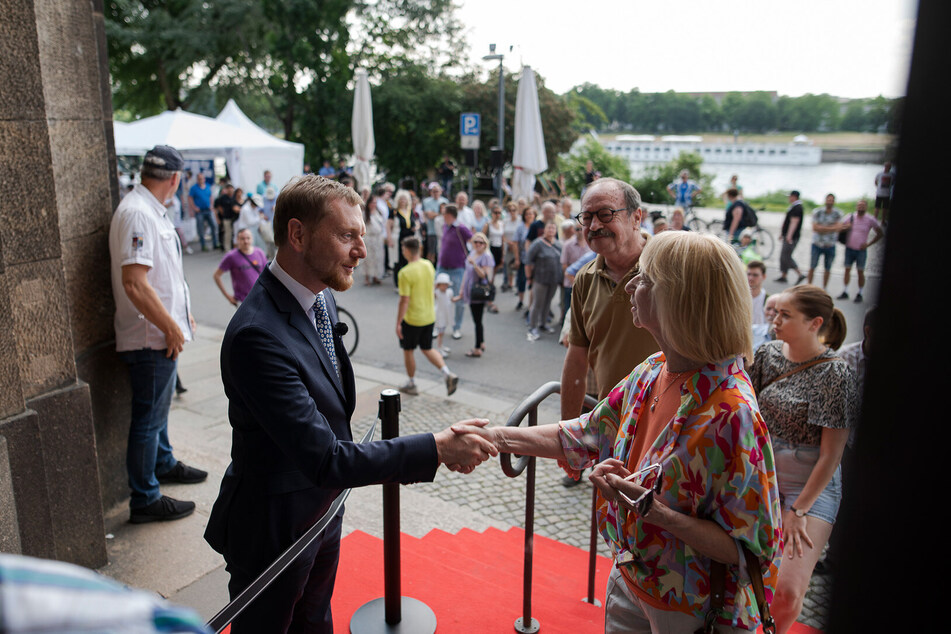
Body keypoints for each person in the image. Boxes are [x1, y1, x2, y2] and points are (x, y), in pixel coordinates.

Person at [204, 177, 496, 634]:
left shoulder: (320, 297)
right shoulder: (256, 335)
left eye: (361, 234)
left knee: (316, 621)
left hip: (322, 511)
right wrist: (437, 447)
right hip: (274, 529)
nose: (362, 249)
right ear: (298, 235)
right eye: (347, 236)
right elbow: (325, 457)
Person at [459, 231, 782, 632]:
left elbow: (749, 547)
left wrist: (656, 512)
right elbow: (587, 433)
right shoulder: (654, 368)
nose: (630, 284)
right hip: (630, 579)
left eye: (645, 278)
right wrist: (493, 437)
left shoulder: (732, 414)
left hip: (690, 609)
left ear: (680, 299)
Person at [750, 284, 858, 634]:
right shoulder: (766, 355)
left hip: (809, 485)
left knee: (788, 589)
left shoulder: (835, 374)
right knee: (743, 572)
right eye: (775, 312)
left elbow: (832, 454)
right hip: (762, 474)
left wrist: (799, 511)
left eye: (785, 315)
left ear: (815, 323)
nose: (775, 320)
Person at [109, 145, 206, 524]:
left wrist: (182, 317)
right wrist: (170, 325)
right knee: (148, 419)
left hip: (160, 331)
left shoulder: (147, 210)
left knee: (158, 413)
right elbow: (134, 284)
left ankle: (163, 463)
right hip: (151, 336)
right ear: (176, 179)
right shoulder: (138, 213)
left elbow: (162, 277)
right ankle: (145, 498)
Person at [561, 178, 659, 486]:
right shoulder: (585, 281)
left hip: (669, 428)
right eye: (586, 217)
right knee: (613, 521)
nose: (593, 225)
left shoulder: (670, 267)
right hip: (613, 430)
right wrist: (568, 439)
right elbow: (576, 361)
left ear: (636, 217)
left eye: (605, 214)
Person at [396, 236, 459, 396]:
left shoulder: (405, 272)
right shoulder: (428, 265)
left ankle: (411, 383)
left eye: (403, 249)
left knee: (408, 350)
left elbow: (404, 300)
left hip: (413, 318)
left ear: (408, 251)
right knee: (427, 348)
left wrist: (398, 323)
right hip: (429, 316)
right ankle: (447, 373)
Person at [453, 232, 495, 357]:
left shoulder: (486, 256)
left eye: (480, 242)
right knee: (477, 319)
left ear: (485, 244)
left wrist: (475, 265)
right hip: (470, 290)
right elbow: (466, 274)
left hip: (478, 292)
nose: (478, 244)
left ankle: (477, 348)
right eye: (475, 242)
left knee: (477, 320)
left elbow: (484, 275)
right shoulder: (472, 253)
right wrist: (461, 290)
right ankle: (481, 342)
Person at [436, 205, 472, 340]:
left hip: (457, 268)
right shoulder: (445, 226)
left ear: (450, 215)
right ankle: (439, 327)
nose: (443, 216)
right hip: (443, 267)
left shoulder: (460, 228)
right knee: (439, 297)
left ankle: (457, 327)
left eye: (445, 214)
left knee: (458, 299)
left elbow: (473, 240)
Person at [837, 199, 884, 303]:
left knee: (860, 271)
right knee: (847, 270)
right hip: (849, 248)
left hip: (861, 250)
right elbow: (839, 227)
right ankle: (845, 290)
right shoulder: (850, 217)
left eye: (863, 206)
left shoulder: (870, 219)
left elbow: (880, 233)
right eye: (859, 206)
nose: (860, 208)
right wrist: (846, 227)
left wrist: (869, 244)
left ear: (866, 207)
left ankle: (860, 292)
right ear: (856, 207)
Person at [525, 221, 562, 341]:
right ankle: (532, 327)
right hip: (540, 279)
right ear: (544, 230)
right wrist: (529, 278)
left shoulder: (558, 244)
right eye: (549, 228)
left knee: (548, 302)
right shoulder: (537, 244)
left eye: (553, 228)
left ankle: (543, 323)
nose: (551, 230)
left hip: (554, 279)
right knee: (537, 303)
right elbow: (528, 261)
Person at [213, 228, 267, 306]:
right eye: (242, 239)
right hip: (244, 301)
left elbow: (267, 274)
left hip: (262, 297)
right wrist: (228, 297)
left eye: (248, 238)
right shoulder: (231, 256)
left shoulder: (260, 253)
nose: (246, 241)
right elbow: (216, 275)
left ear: (252, 238)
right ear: (237, 240)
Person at [807, 194, 845, 290]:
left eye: (831, 200)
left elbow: (839, 228)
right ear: (825, 200)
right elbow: (815, 228)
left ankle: (824, 288)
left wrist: (822, 228)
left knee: (828, 268)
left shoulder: (838, 213)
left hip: (830, 245)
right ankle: (808, 286)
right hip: (817, 244)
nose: (829, 202)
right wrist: (831, 228)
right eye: (828, 200)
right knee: (812, 266)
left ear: (834, 201)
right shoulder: (817, 212)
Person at [559, 220, 590, 322]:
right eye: (577, 229)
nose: (580, 231)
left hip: (586, 283)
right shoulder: (568, 244)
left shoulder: (590, 244)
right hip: (570, 282)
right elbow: (564, 265)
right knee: (568, 308)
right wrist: (574, 280)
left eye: (582, 229)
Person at [388, 189, 419, 286]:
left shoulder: (410, 211)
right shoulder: (394, 211)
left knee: (409, 260)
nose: (403, 201)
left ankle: (408, 281)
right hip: (398, 239)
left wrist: (416, 227)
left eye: (404, 199)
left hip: (410, 238)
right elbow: (388, 225)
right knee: (398, 261)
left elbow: (416, 222)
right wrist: (389, 239)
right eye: (401, 199)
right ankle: (398, 283)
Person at [776, 191, 806, 284]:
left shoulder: (797, 208)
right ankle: (784, 275)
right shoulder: (794, 207)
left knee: (786, 256)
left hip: (791, 237)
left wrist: (789, 235)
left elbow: (794, 222)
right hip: (788, 235)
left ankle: (800, 274)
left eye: (790, 196)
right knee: (784, 256)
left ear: (794, 197)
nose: (789, 198)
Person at [188, 171, 218, 251]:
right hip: (199, 211)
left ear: (204, 179)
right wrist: (194, 208)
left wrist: (211, 205)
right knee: (201, 229)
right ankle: (203, 245)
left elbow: (211, 197)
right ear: (197, 180)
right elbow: (190, 198)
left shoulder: (208, 187)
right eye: (199, 179)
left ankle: (215, 243)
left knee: (213, 226)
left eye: (202, 178)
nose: (201, 180)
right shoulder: (194, 188)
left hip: (208, 209)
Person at [421, 182, 448, 263]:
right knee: (431, 252)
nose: (436, 193)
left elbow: (446, 215)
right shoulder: (426, 201)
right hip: (432, 230)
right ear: (430, 192)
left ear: (441, 191)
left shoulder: (445, 200)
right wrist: (440, 213)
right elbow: (429, 215)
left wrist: (434, 213)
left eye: (437, 191)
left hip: (443, 231)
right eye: (434, 191)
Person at [362, 193, 386, 285]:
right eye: (372, 202)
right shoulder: (365, 214)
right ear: (368, 203)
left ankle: (376, 276)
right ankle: (367, 277)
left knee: (378, 258)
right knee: (368, 259)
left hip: (378, 238)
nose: (374, 204)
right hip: (369, 238)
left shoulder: (378, 212)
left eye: (375, 202)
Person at [214, 183, 240, 250]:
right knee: (228, 234)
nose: (230, 190)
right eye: (228, 189)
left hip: (234, 219)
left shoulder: (234, 197)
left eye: (231, 189)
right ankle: (227, 249)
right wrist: (220, 216)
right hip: (227, 218)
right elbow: (218, 207)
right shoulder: (223, 198)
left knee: (235, 234)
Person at [433, 272, 453, 357]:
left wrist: (460, 297)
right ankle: (439, 348)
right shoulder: (437, 293)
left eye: (446, 285)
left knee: (443, 332)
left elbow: (452, 299)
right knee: (440, 333)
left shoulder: (449, 292)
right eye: (442, 285)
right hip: (439, 316)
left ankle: (441, 346)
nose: (444, 287)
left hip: (446, 315)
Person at [748, 260, 768, 325]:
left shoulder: (767, 300)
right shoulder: (738, 297)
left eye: (755, 275)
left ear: (764, 276)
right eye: (748, 274)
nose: (750, 278)